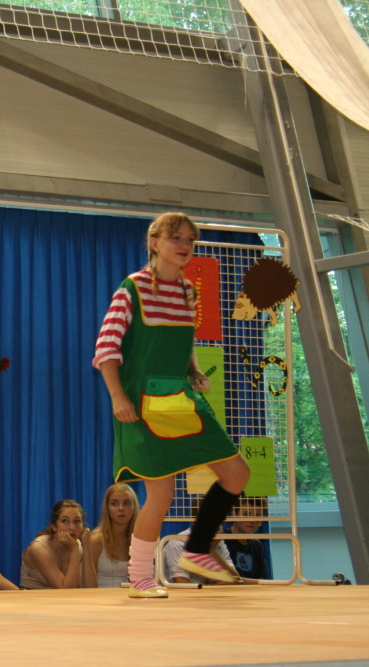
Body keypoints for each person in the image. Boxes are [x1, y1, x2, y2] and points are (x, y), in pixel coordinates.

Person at [93, 211, 251, 599]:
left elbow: (182, 341)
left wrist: (193, 370)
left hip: (181, 397)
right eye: (175, 238)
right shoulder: (131, 288)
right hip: (141, 403)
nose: (184, 246)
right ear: (154, 243)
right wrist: (118, 397)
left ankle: (196, 548)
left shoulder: (186, 291)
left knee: (237, 473)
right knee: (161, 494)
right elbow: (106, 347)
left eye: (189, 240)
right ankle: (139, 577)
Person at [20, 499, 92, 589]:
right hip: (33, 597)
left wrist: (87, 547)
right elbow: (66, 590)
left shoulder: (77, 545)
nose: (72, 527)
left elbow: (90, 588)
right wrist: (74, 550)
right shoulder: (38, 548)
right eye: (65, 521)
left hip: (63, 598)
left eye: (77, 521)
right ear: (54, 526)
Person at [85, 483, 140, 588]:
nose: (121, 508)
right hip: (102, 596)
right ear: (107, 508)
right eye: (114, 503)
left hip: (133, 595)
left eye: (127, 503)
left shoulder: (141, 540)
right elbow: (87, 586)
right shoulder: (96, 540)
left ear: (134, 507)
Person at [225, 496, 269, 580]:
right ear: (234, 515)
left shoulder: (257, 545)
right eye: (246, 514)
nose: (251, 520)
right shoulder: (221, 540)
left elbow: (261, 578)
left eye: (257, 516)